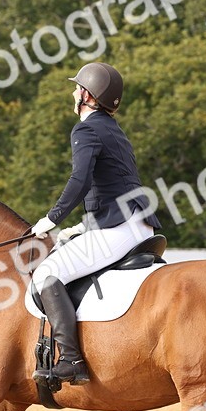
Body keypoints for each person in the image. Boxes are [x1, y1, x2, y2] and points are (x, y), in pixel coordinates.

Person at [29, 62, 162, 386]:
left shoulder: (86, 129)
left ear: (87, 95)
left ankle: (72, 360)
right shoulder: (113, 129)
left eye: (78, 88)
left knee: (47, 274)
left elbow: (81, 180)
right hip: (135, 223)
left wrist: (53, 218)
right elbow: (113, 185)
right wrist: (84, 226)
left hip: (120, 228)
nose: (74, 92)